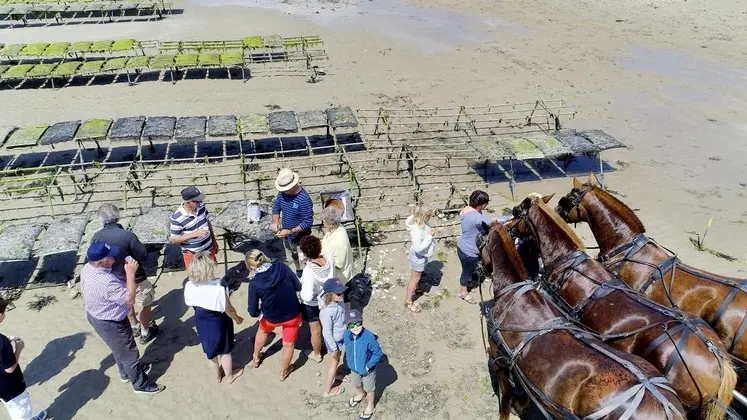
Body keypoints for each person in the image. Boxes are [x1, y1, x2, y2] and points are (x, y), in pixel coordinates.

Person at [80, 242, 164, 394]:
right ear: (100, 262)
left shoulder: (88, 268)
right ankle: (140, 385)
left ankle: (126, 374)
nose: (114, 259)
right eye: (110, 257)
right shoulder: (106, 283)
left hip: (101, 316)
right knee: (129, 353)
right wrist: (130, 274)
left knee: (119, 349)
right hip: (109, 322)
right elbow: (130, 299)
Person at [92, 203, 157, 344]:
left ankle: (134, 325)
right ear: (118, 217)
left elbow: (94, 258)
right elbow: (143, 255)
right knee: (144, 303)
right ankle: (146, 331)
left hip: (114, 277)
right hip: (136, 276)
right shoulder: (128, 236)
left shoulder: (97, 237)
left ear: (101, 219)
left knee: (126, 303)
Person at [184, 252, 244, 384]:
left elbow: (191, 303)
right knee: (225, 351)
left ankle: (217, 377)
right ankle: (229, 376)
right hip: (219, 322)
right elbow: (229, 309)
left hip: (201, 322)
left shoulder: (189, 286)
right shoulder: (218, 289)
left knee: (211, 354)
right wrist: (237, 318)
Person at [246, 249, 302, 381]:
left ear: (252, 266)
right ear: (264, 257)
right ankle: (283, 372)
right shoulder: (282, 267)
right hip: (292, 313)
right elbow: (298, 286)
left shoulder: (255, 283)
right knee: (288, 344)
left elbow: (253, 312)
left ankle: (256, 357)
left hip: (271, 316)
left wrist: (261, 310)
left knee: (263, 331)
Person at [457, 190, 511, 304]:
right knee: (467, 272)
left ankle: (468, 285)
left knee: (469, 270)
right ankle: (463, 293)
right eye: (486, 203)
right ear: (480, 205)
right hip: (469, 251)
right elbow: (493, 221)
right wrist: (509, 218)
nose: (487, 205)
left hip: (463, 245)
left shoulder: (467, 210)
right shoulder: (476, 217)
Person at [0, 298, 46, 420]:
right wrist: (19, 348)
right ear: (0, 315)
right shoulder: (2, 342)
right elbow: (9, 369)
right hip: (11, 388)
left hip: (2, 390)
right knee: (22, 412)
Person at [271, 168, 313, 276]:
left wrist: (290, 231)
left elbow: (308, 222)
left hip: (301, 238)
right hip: (287, 236)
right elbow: (276, 207)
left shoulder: (304, 199)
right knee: (293, 255)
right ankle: (298, 270)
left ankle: (306, 274)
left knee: (303, 257)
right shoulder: (282, 193)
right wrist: (275, 221)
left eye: (286, 189)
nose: (284, 191)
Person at [299, 235, 334, 363]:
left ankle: (317, 353)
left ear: (305, 253)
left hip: (313, 304)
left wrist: (300, 294)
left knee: (315, 330)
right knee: (328, 324)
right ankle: (330, 346)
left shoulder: (308, 271)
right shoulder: (328, 259)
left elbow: (307, 296)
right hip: (328, 297)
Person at [344, 309, 382, 420]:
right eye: (351, 324)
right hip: (354, 367)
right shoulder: (347, 335)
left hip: (367, 369)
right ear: (347, 325)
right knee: (356, 383)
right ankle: (360, 394)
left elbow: (378, 353)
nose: (355, 327)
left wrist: (368, 366)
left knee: (369, 388)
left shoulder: (369, 337)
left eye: (358, 323)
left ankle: (370, 406)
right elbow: (348, 349)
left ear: (362, 322)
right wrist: (349, 361)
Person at [170, 186, 219, 269]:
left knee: (210, 271)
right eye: (197, 201)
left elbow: (208, 223)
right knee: (196, 279)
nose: (200, 202)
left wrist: (214, 242)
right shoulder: (177, 218)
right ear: (188, 202)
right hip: (192, 254)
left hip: (208, 249)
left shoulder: (201, 207)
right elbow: (174, 240)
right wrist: (195, 234)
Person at [404, 203, 435, 313]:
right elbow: (418, 248)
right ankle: (408, 301)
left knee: (416, 276)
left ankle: (416, 288)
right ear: (423, 216)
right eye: (429, 215)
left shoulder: (421, 223)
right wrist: (430, 237)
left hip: (420, 256)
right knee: (415, 278)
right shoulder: (416, 230)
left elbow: (409, 220)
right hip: (418, 256)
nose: (430, 217)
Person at [319, 278, 347, 398]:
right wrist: (334, 348)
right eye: (339, 293)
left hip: (341, 336)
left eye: (342, 291)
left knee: (338, 358)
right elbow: (326, 332)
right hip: (334, 341)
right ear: (330, 294)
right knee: (334, 362)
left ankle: (336, 375)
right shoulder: (326, 312)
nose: (342, 295)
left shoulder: (338, 301)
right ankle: (327, 391)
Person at [321, 205, 355, 283]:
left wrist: (320, 262)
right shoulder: (337, 228)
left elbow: (338, 264)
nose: (323, 224)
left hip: (341, 279)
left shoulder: (338, 242)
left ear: (330, 224)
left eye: (324, 221)